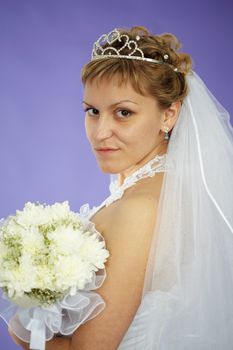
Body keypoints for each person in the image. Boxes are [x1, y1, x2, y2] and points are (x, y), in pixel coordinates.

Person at [8, 25, 233, 349]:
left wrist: (23, 320)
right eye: (93, 111)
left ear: (168, 115)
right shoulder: (164, 191)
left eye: (123, 113)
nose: (101, 132)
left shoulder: (140, 208)